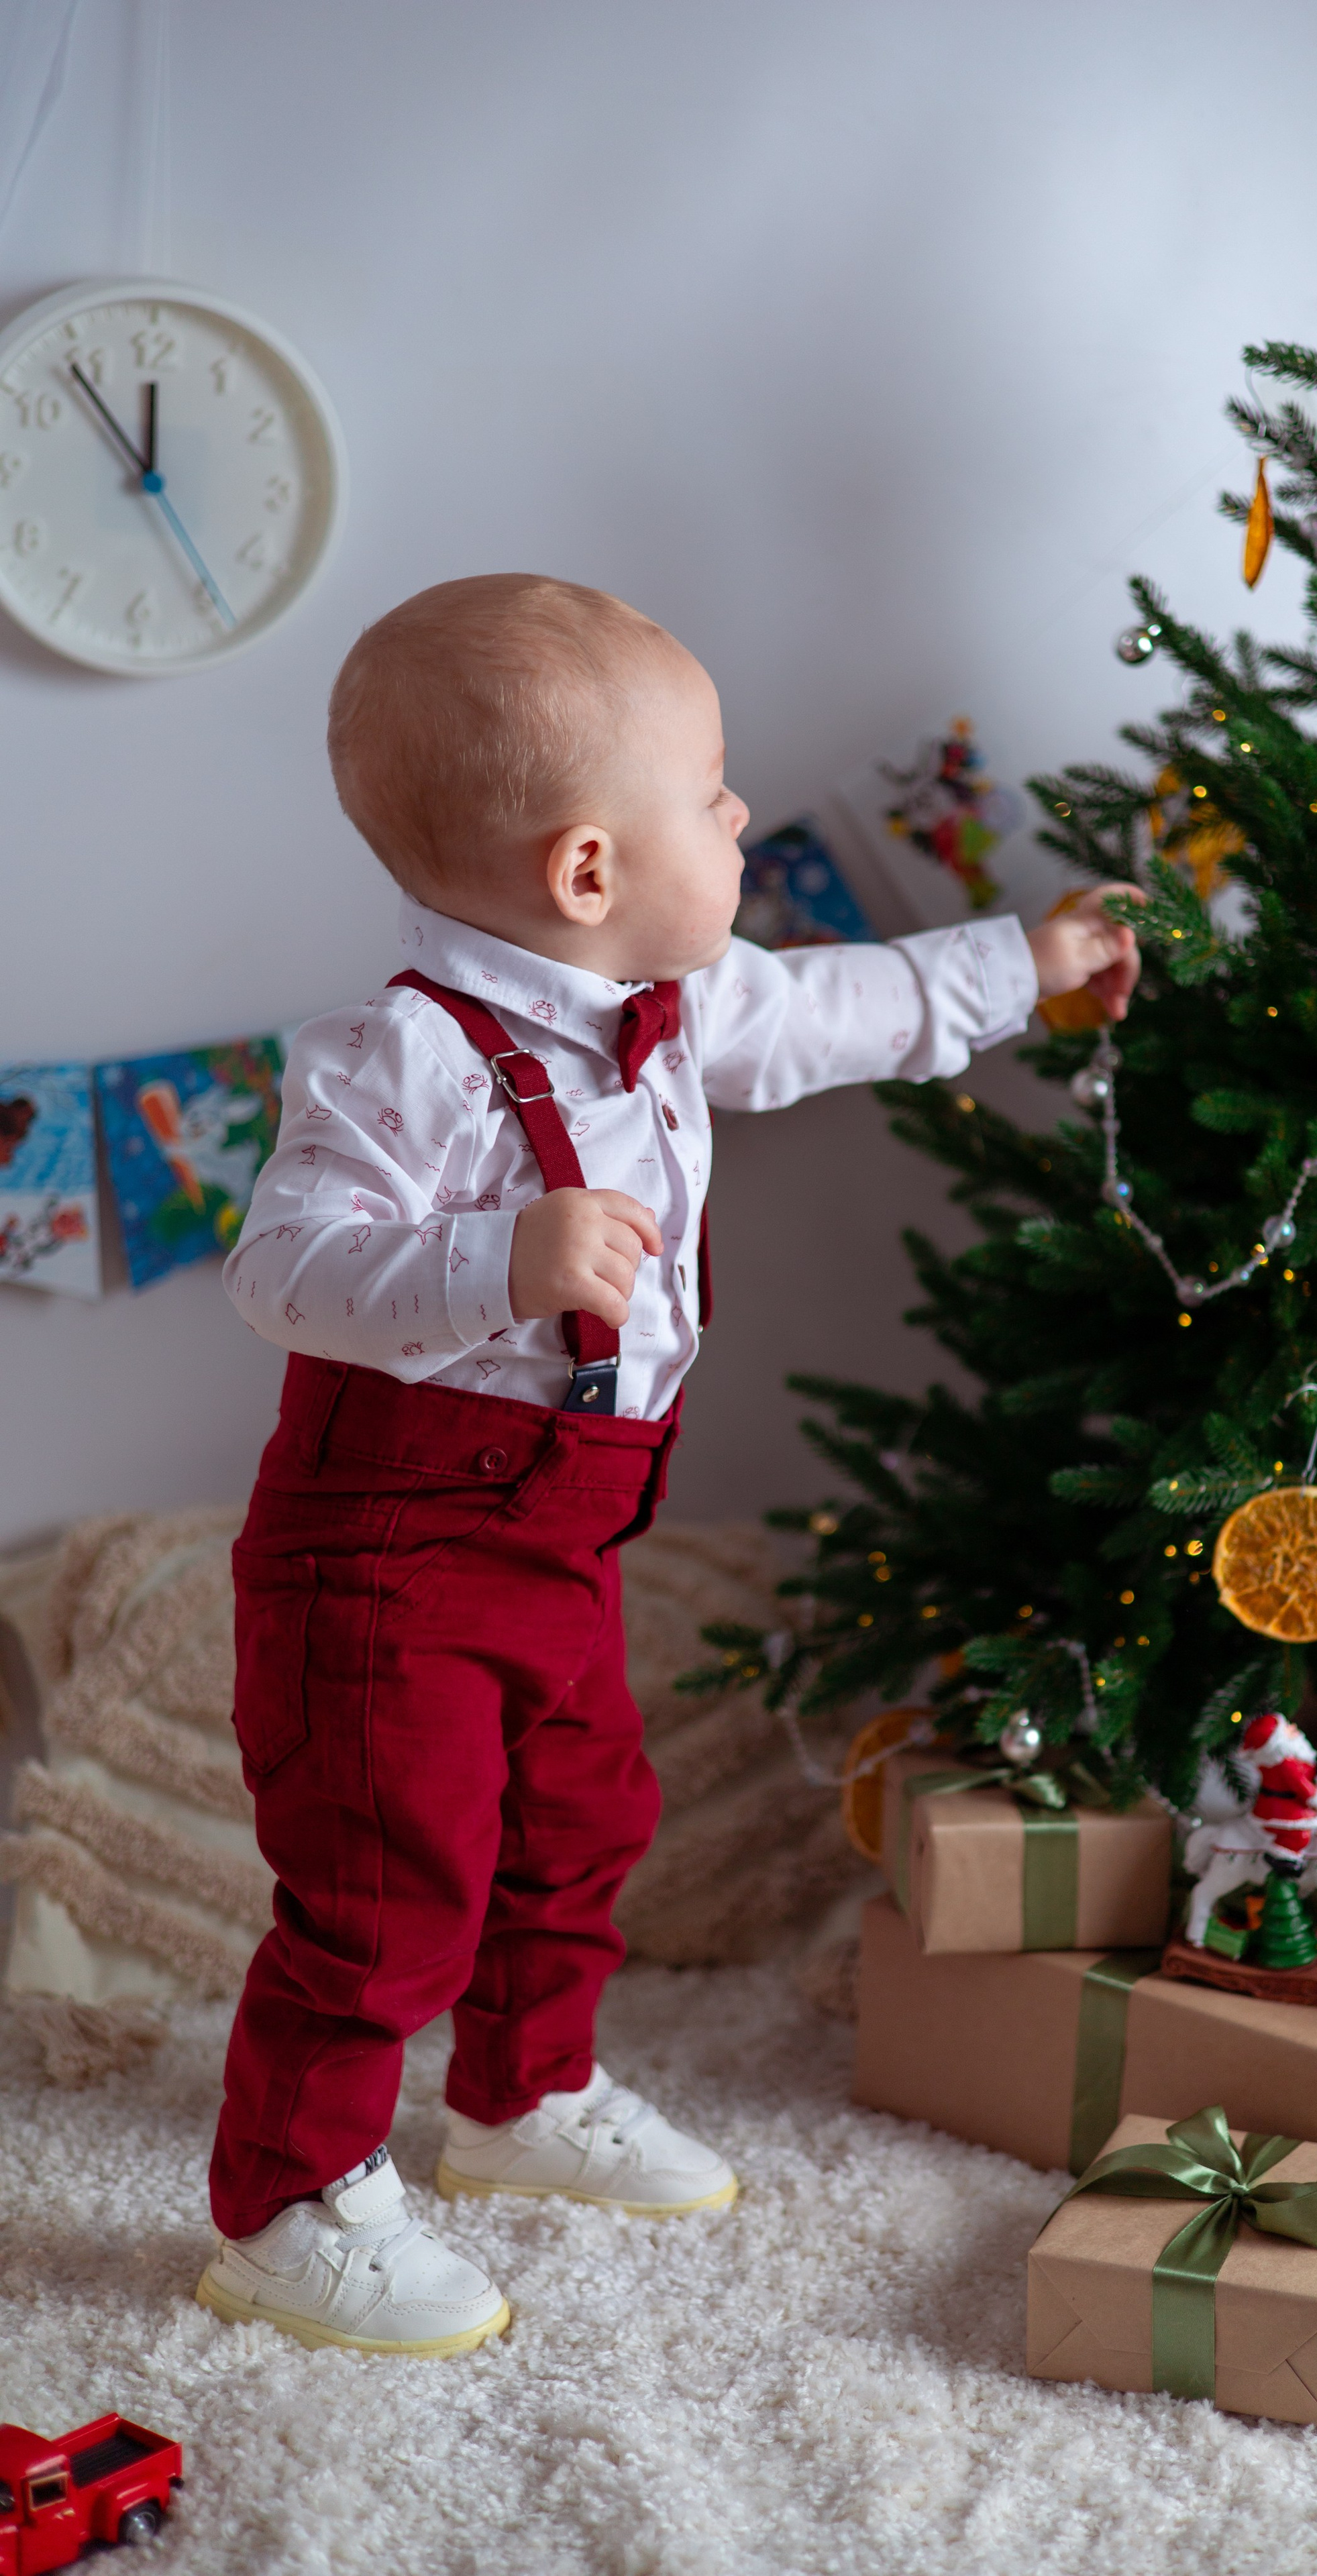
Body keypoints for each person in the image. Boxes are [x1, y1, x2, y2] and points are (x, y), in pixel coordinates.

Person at [199, 574, 1140, 2356]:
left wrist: (1025, 965)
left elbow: (853, 1008)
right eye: (711, 795)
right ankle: (289, 2200)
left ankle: (522, 2094)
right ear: (586, 870)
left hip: (562, 1535)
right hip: (386, 1555)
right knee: (389, 1885)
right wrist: (501, 1260)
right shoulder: (404, 1057)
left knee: (581, 1820)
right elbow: (283, 1273)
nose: (740, 813)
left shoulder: (681, 1003)